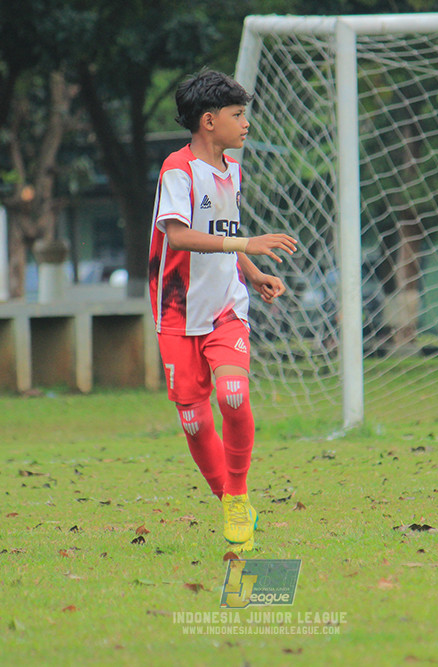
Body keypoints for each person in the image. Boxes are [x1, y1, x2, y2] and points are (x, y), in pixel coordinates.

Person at [147, 69, 298, 552]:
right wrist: (247, 243)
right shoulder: (177, 169)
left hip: (225, 308)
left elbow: (224, 232)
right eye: (237, 115)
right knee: (194, 421)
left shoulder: (233, 169)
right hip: (176, 312)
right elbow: (179, 236)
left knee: (233, 395)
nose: (245, 123)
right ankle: (229, 500)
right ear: (209, 121)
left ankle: (237, 492)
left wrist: (252, 273)